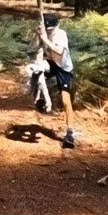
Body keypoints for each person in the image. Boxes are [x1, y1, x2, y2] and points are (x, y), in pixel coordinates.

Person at [37, 11, 77, 148]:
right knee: (36, 72)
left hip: (64, 68)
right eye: (47, 30)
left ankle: (70, 133)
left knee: (66, 100)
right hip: (51, 63)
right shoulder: (44, 31)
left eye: (51, 30)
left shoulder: (61, 35)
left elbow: (59, 51)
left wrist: (45, 39)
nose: (49, 32)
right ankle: (41, 99)